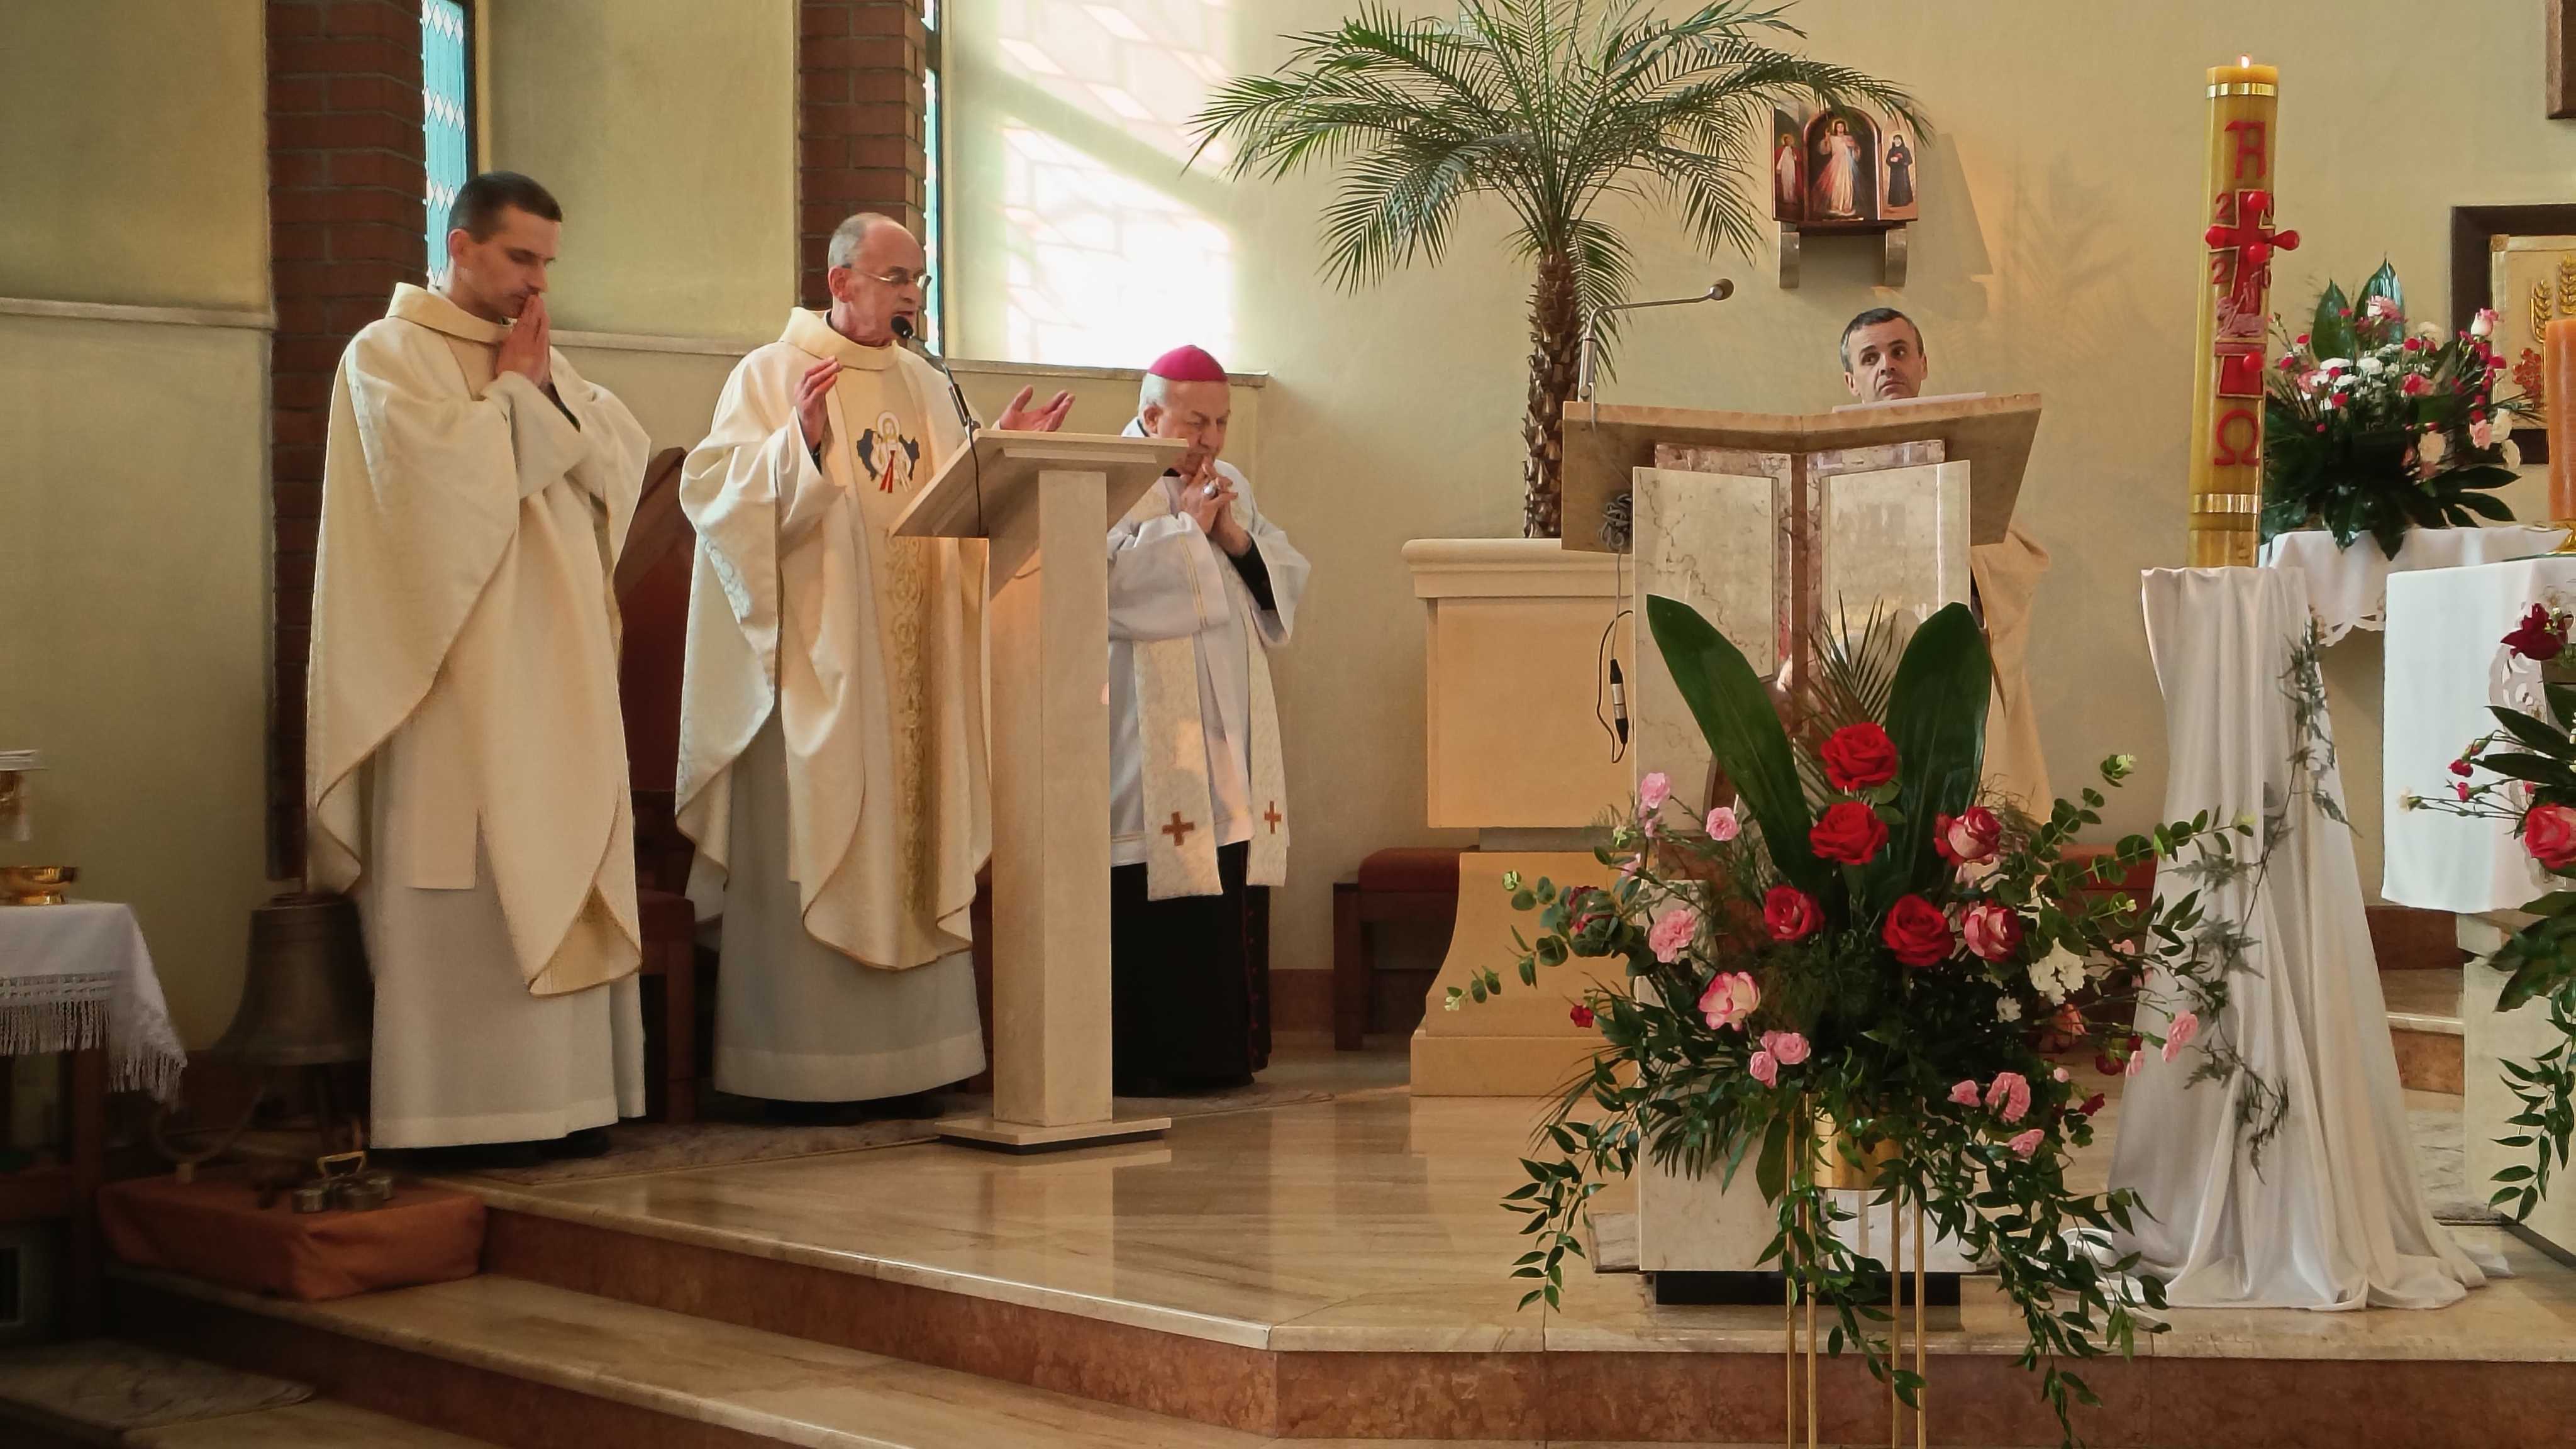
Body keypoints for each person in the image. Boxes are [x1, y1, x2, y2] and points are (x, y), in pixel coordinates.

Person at [676, 213, 1072, 1116]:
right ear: (841, 280)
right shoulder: (772, 373)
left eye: (919, 282)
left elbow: (950, 512)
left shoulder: (927, 387)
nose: (912, 298)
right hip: (816, 674)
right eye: (897, 279)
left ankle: (917, 1064)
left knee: (915, 836)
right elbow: (716, 501)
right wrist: (799, 443)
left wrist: (996, 457)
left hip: (913, 673)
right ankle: (798, 1069)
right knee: (818, 837)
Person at [305, 171, 650, 1160]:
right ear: (458, 247)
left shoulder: (539, 359)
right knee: (464, 874)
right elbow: (433, 497)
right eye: (518, 258)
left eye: (547, 263)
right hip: (451, 676)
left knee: (563, 846)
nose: (536, 283)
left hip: (557, 670)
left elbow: (617, 461)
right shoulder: (387, 357)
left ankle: (570, 1102)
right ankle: (459, 1112)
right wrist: (517, 396)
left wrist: (534, 391)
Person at [1106, 346, 1310, 1094]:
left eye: (1221, 422)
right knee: (1151, 877)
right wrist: (1187, 534)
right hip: (1146, 736)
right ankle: (1149, 1060)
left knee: (1226, 864)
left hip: (1227, 732)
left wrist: (1232, 539)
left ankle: (1224, 1053)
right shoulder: (1107, 481)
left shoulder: (1232, 485)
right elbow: (1103, 591)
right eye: (1197, 422)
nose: (1211, 439)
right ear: (1151, 413)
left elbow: (1282, 573)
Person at [1836, 307, 2054, 813]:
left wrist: (1956, 542)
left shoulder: (1968, 456)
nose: (1887, 366)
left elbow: (2016, 558)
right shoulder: (1831, 464)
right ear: (1851, 381)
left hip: (1957, 655)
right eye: (1870, 358)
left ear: (1923, 364)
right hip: (1872, 658)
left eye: (1899, 352)